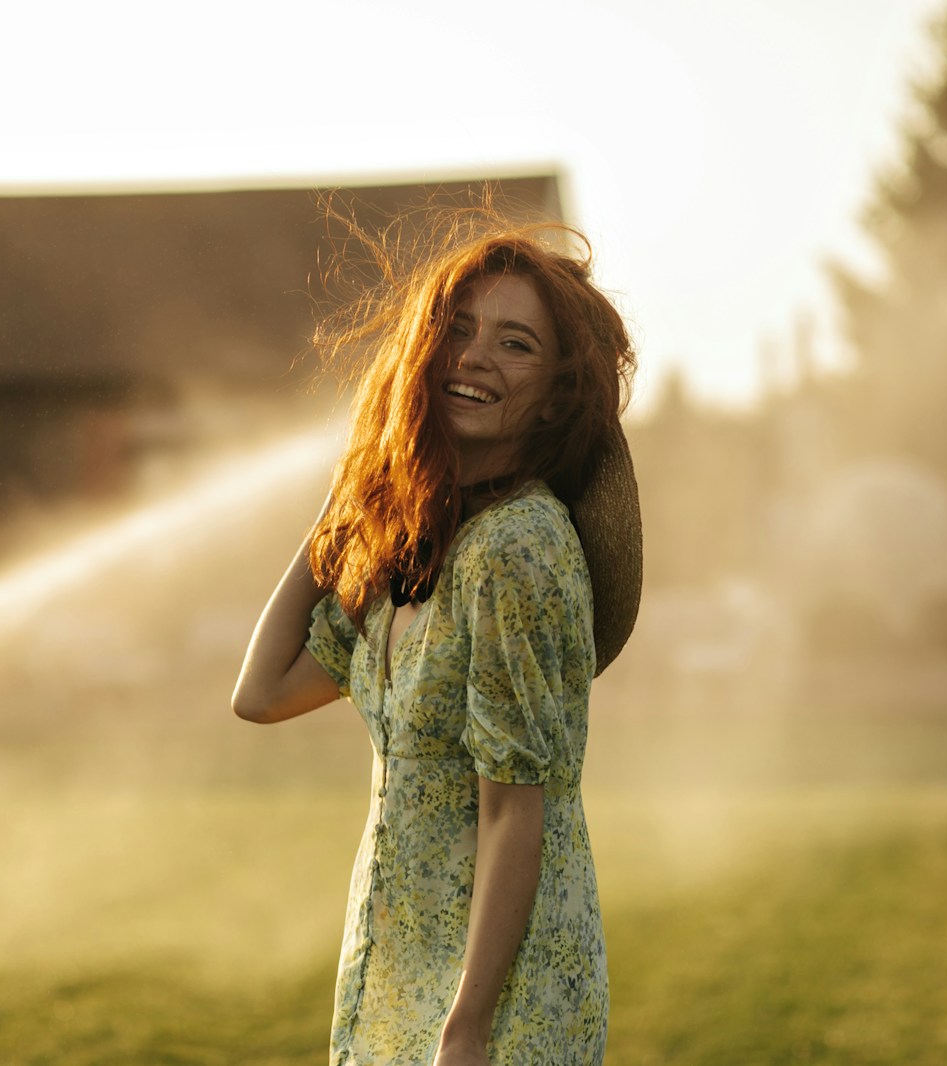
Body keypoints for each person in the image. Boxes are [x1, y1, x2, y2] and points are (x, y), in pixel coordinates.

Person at [232, 215, 640, 1066]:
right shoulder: (422, 547)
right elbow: (263, 693)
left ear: (557, 395)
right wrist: (349, 504)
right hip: (400, 978)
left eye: (515, 343)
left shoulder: (514, 549)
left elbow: (512, 810)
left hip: (497, 1004)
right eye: (457, 329)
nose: (474, 355)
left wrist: (467, 1029)